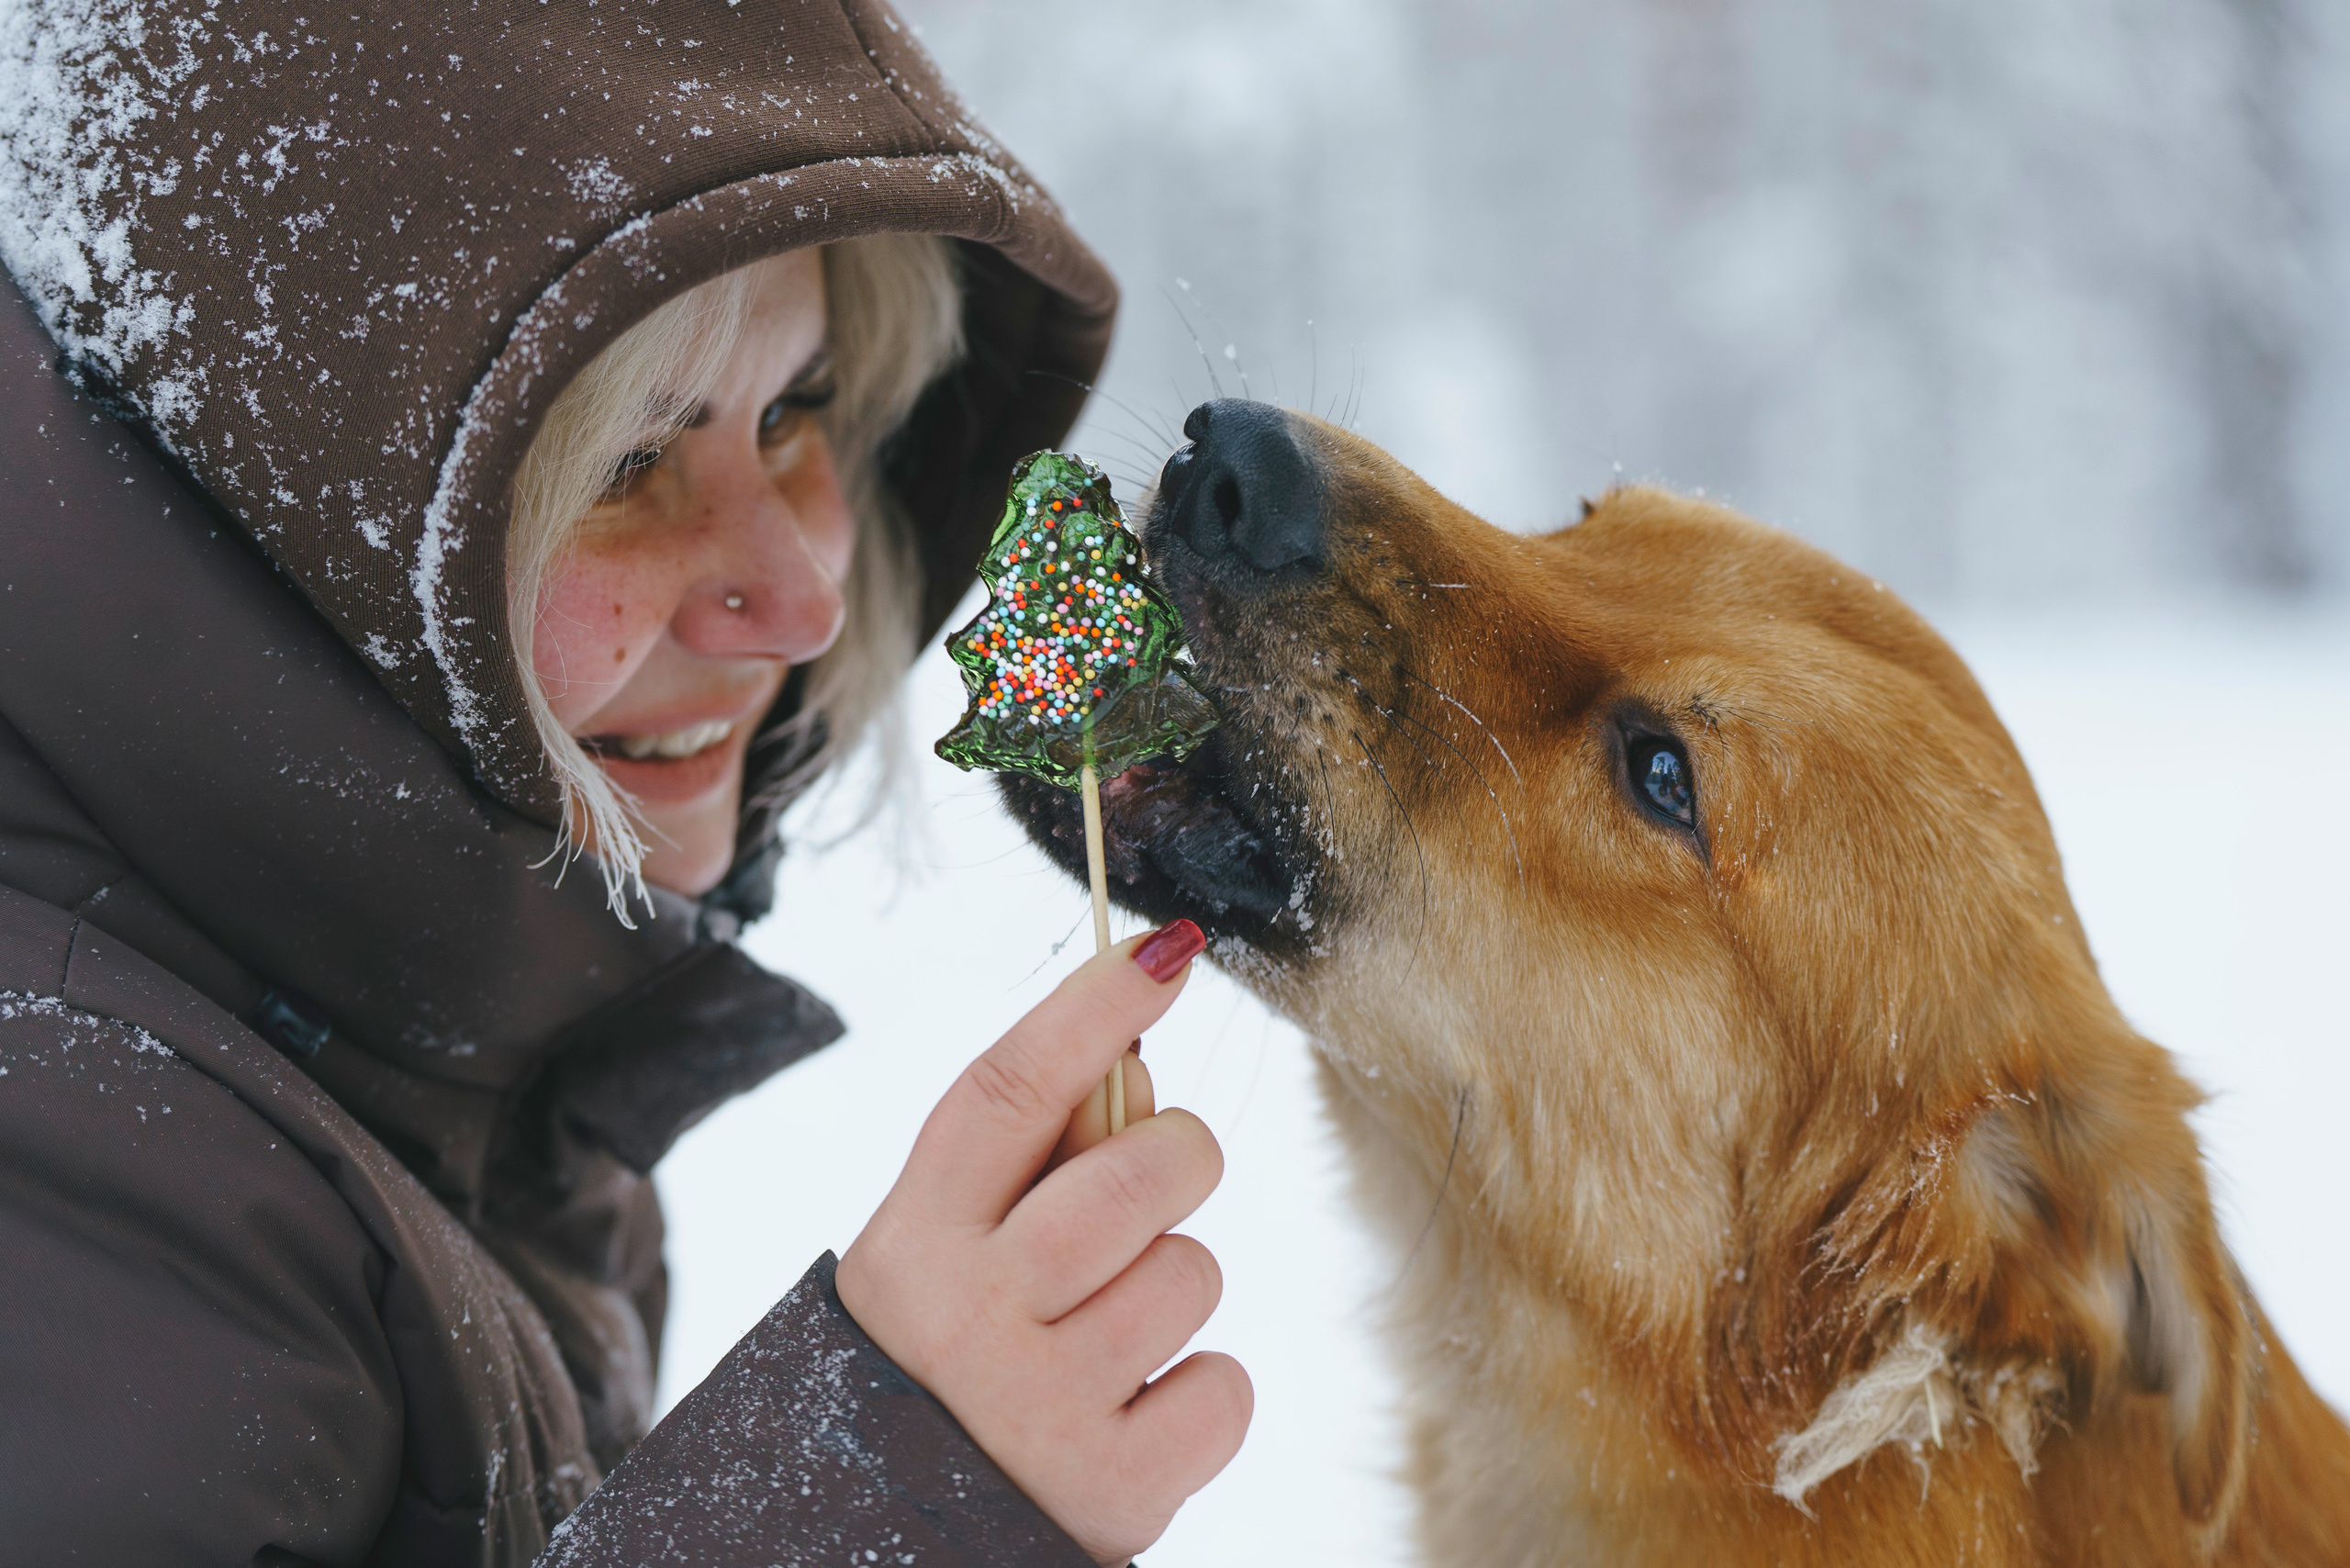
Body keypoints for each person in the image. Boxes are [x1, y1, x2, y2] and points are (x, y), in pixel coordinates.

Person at [0, 4, 1248, 1563]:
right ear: (308, 532)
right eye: (623, 467)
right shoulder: (64, 1178)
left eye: (796, 411)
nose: (798, 600)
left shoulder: (437, 1047)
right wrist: (900, 1482)